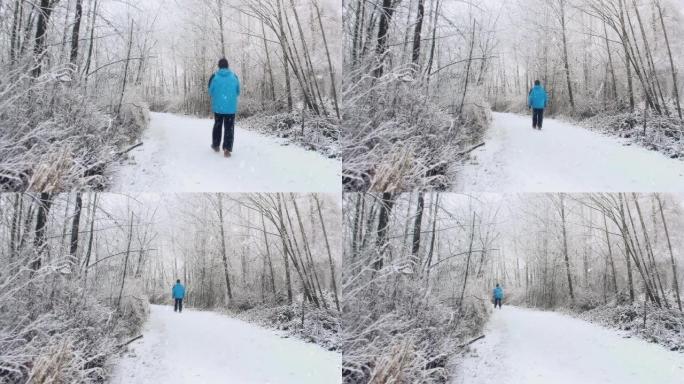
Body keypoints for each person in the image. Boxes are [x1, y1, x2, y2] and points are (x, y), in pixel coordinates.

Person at [208, 58, 241, 158]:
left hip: (218, 107)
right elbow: (238, 91)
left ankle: (216, 145)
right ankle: (227, 149)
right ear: (227, 66)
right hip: (230, 108)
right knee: (229, 128)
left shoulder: (214, 77)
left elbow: (210, 92)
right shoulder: (234, 76)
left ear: (219, 66)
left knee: (218, 125)